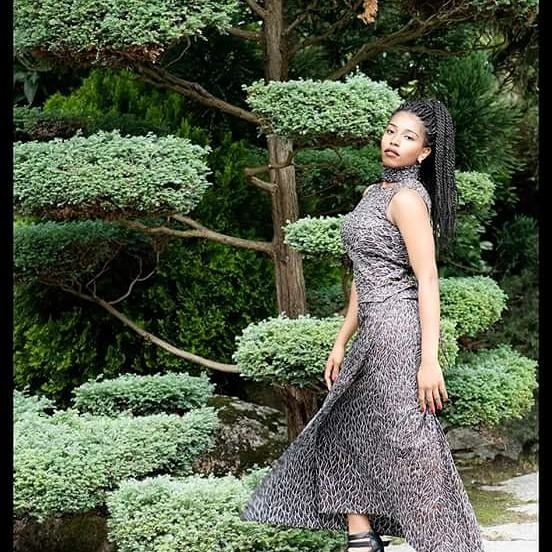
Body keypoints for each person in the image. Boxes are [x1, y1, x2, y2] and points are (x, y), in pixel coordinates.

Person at [240, 99, 485, 552]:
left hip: (398, 330)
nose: (394, 141)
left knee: (410, 443)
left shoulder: (408, 199)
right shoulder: (375, 192)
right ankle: (361, 536)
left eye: (408, 137)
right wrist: (341, 340)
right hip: (372, 330)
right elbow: (363, 273)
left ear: (425, 152)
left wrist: (429, 360)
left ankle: (451, 544)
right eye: (391, 131)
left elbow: (427, 279)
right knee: (342, 425)